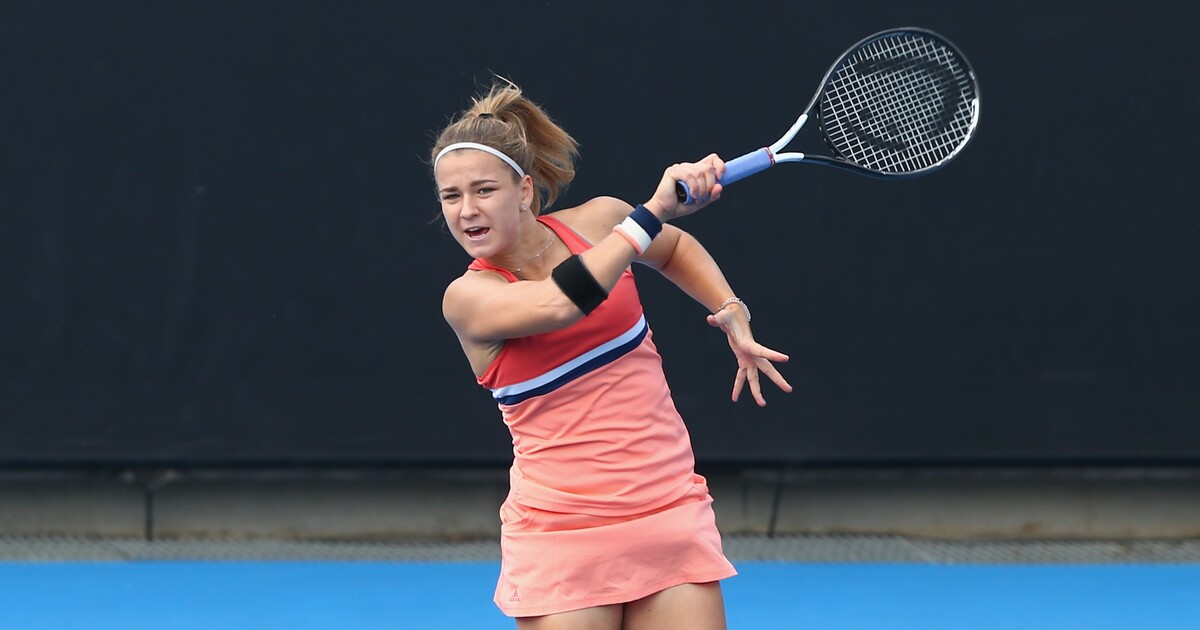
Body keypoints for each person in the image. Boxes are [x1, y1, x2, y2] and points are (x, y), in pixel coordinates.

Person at [430, 79, 792, 630]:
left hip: (668, 509)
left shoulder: (599, 222)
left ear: (523, 190)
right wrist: (651, 213)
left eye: (484, 190)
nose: (466, 210)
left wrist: (729, 307)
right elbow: (561, 303)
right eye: (451, 196)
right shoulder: (468, 297)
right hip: (562, 532)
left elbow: (673, 247)